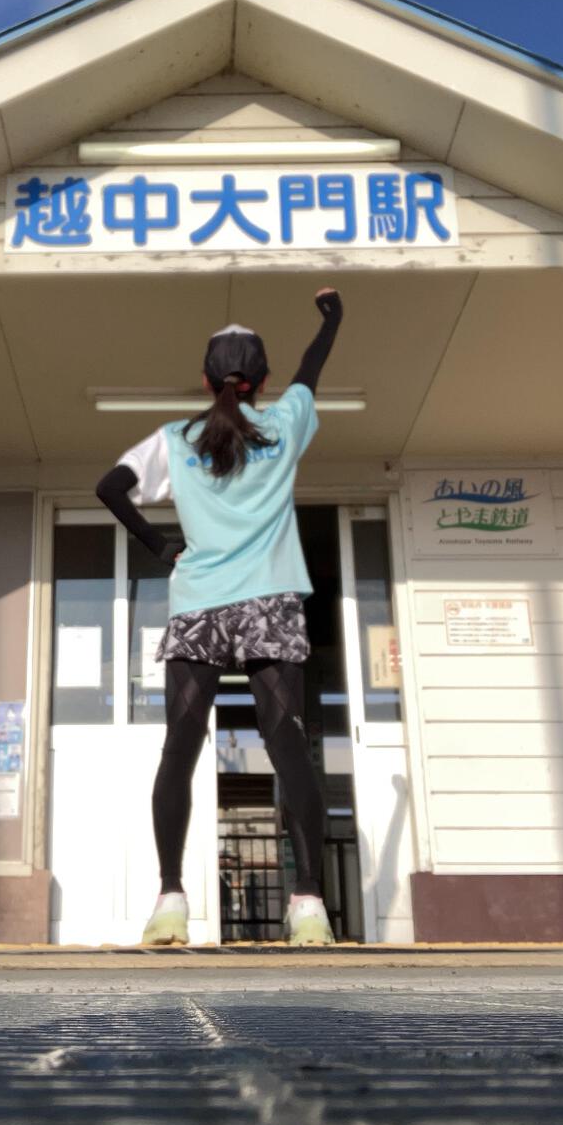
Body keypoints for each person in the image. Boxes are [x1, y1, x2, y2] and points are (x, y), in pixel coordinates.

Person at [96, 287, 343, 947]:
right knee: (287, 745)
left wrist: (159, 548)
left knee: (180, 747)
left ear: (206, 381)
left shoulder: (175, 440)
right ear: (262, 381)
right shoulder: (286, 423)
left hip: (199, 602)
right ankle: (310, 907)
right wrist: (332, 318)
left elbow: (110, 488)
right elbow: (312, 370)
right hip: (270, 600)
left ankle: (170, 901)